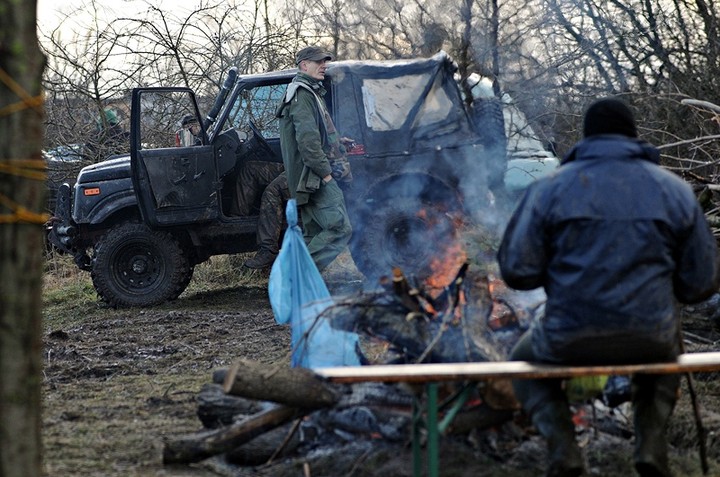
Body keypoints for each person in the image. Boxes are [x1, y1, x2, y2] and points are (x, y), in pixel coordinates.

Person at [497, 98, 719, 477]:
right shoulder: (675, 191)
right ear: (633, 136)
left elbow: (518, 272)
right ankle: (650, 448)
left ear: (586, 138)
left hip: (568, 335)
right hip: (651, 336)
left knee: (521, 365)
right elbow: (700, 285)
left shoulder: (548, 189)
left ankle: (564, 451)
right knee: (665, 360)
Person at [275, 45, 352, 272]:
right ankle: (293, 275)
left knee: (313, 234)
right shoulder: (302, 94)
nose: (324, 66)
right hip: (314, 178)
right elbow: (308, 144)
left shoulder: (309, 91)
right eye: (319, 62)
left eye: (324, 62)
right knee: (340, 228)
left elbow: (318, 134)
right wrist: (327, 176)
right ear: (304, 65)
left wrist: (337, 142)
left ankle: (301, 290)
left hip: (310, 177)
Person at [242, 171, 291, 269]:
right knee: (249, 170)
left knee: (272, 192)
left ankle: (269, 250)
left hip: (304, 169)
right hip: (290, 165)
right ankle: (238, 217)